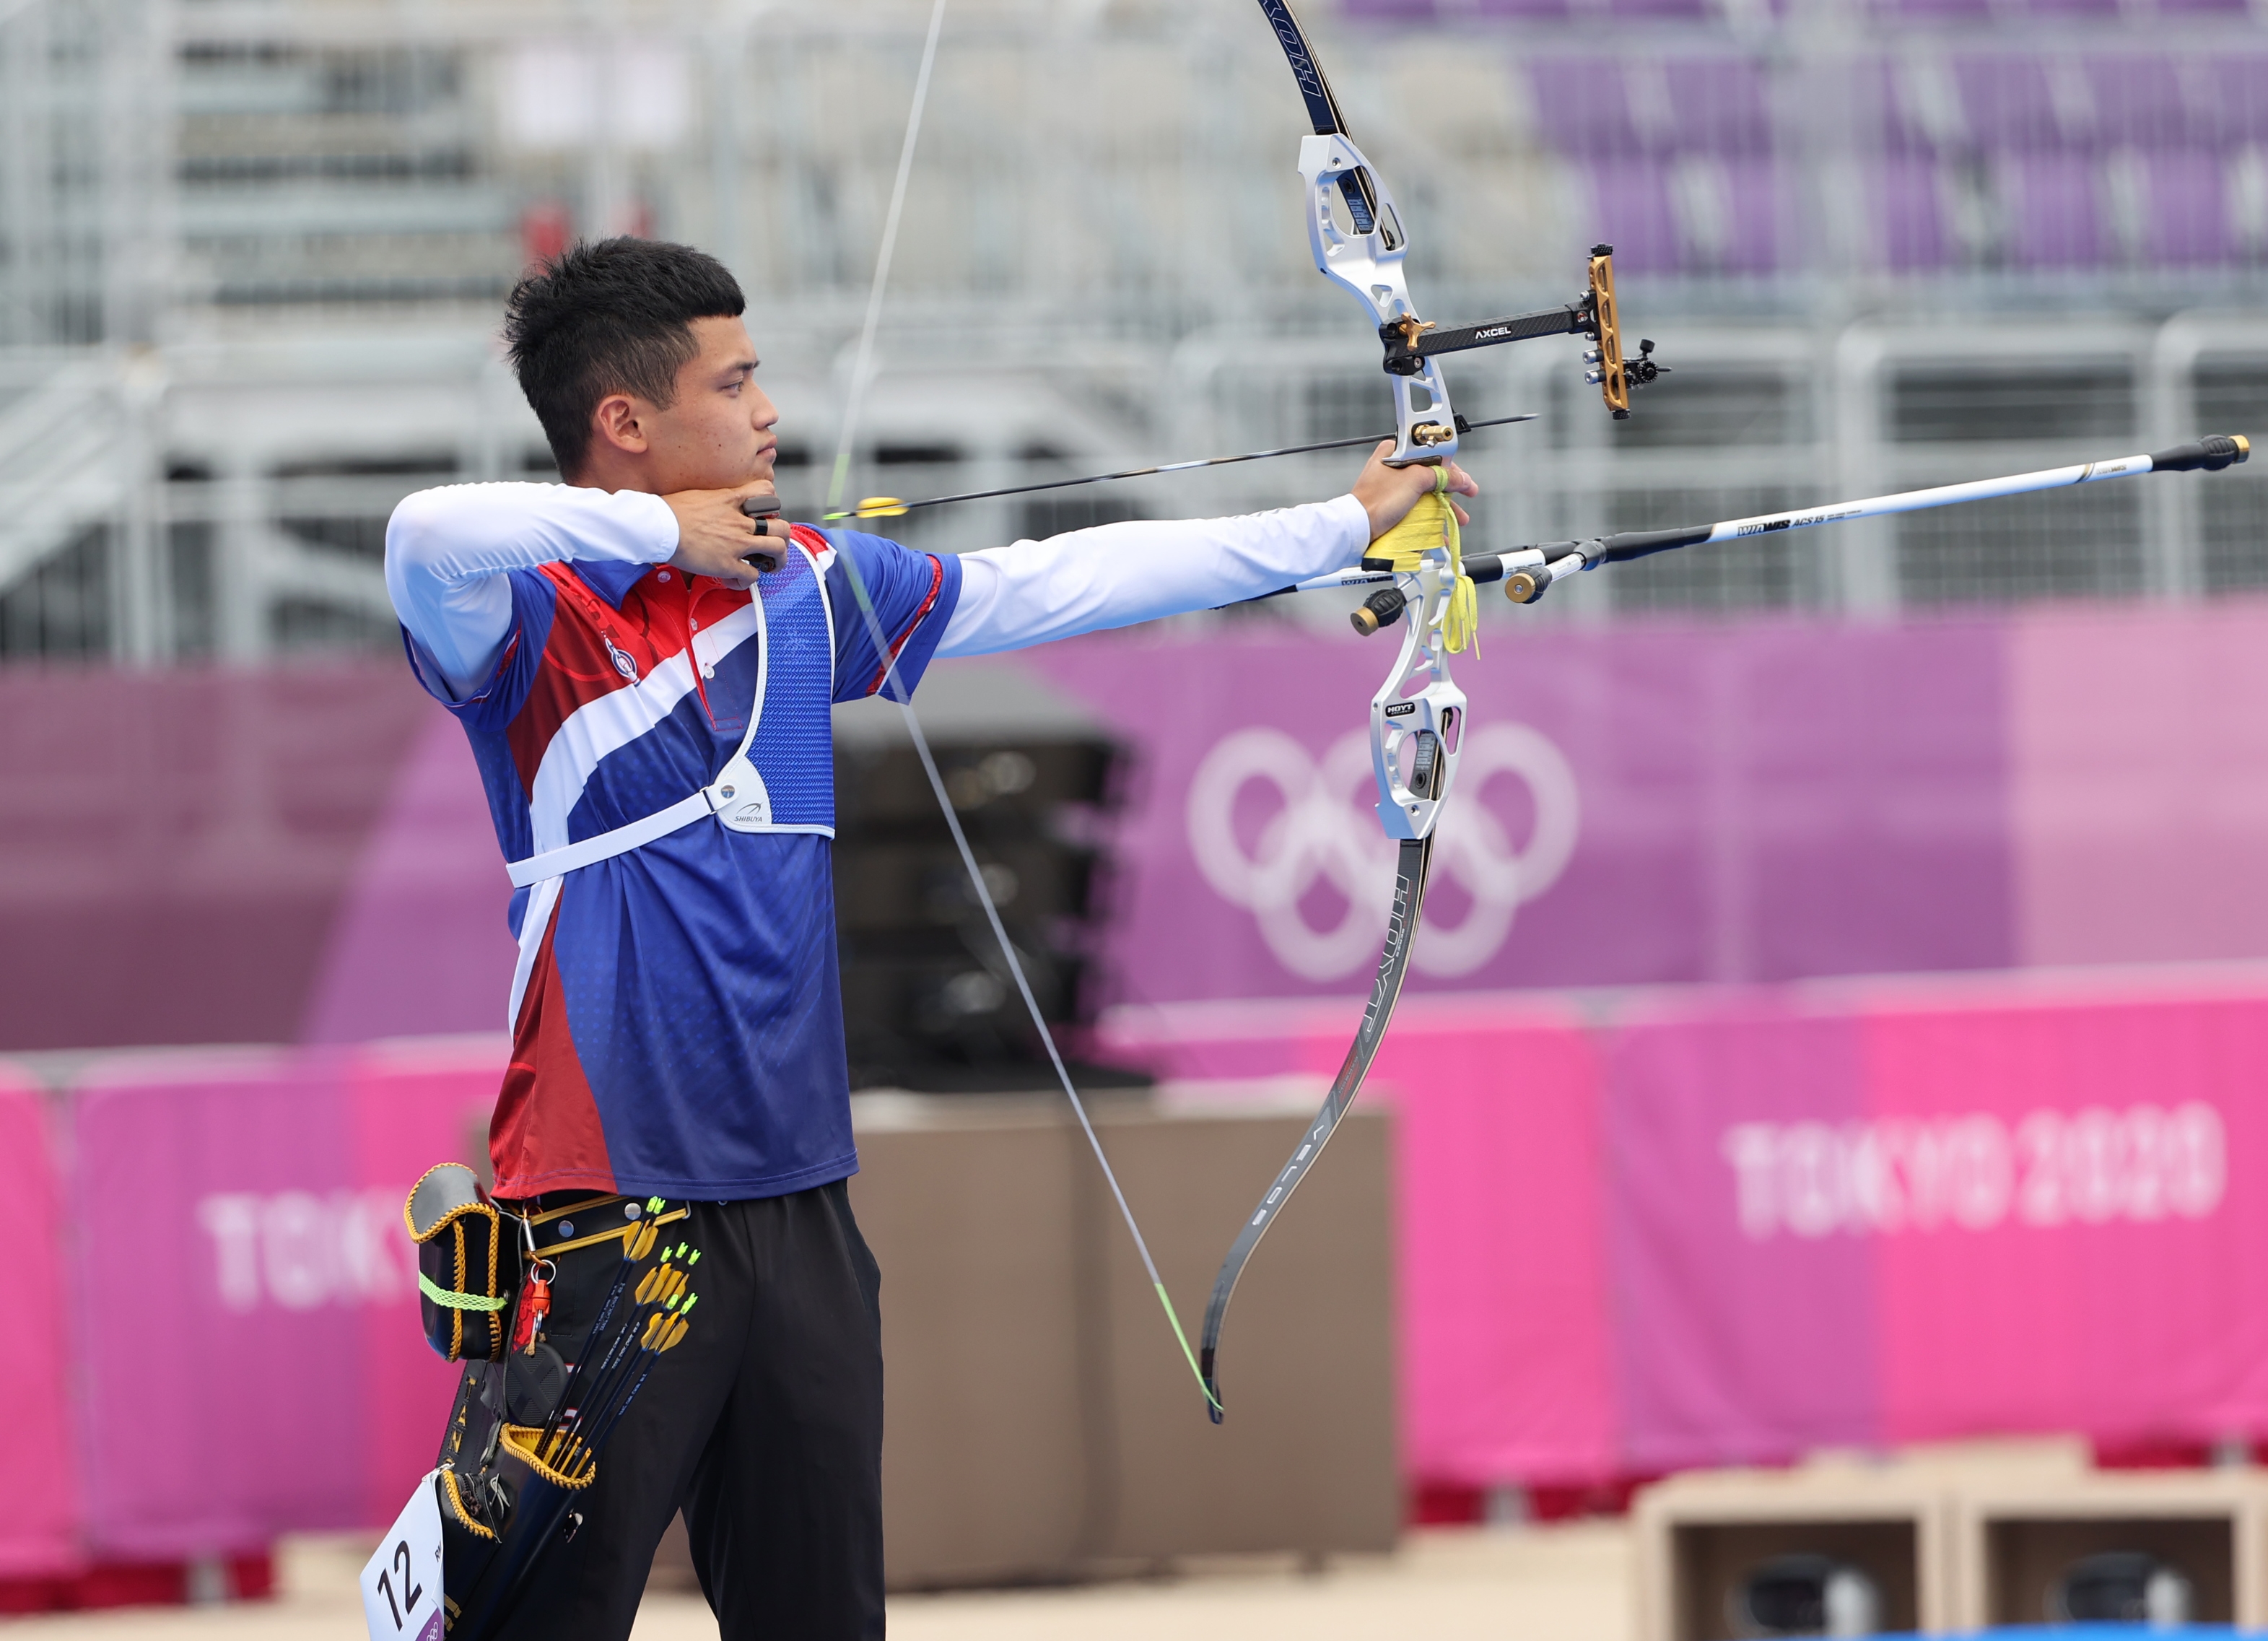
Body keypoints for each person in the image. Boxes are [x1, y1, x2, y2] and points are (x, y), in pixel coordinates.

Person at [383, 235, 1473, 1640]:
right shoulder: (532, 626)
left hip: (803, 1214)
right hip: (609, 1212)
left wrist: (1341, 523)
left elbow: (1057, 579)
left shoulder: (805, 587)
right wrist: (662, 536)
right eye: (735, 381)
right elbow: (422, 535)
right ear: (626, 422)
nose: (769, 409)